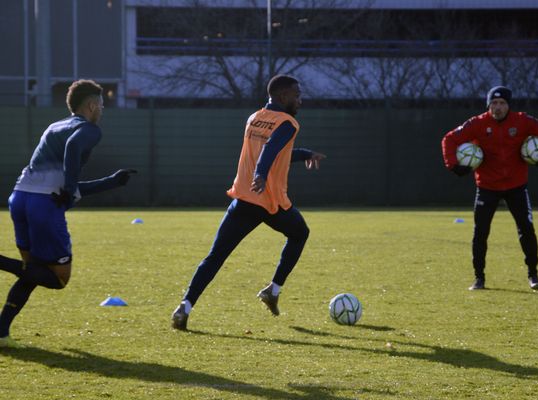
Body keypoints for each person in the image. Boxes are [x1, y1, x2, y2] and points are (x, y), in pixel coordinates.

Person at [171, 74, 326, 330]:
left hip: (243, 199)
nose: (301, 100)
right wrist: (261, 174)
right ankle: (273, 290)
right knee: (300, 234)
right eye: (297, 95)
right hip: (268, 201)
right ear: (283, 96)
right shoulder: (287, 123)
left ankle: (184, 307)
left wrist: (306, 154)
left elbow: (276, 152)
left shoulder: (254, 118)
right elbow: (270, 149)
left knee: (215, 257)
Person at [0, 79, 137, 348]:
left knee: (32, 271)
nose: (102, 109)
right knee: (57, 278)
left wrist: (111, 181)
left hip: (20, 198)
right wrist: (70, 187)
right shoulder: (89, 130)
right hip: (43, 207)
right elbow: (72, 155)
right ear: (91, 105)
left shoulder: (54, 126)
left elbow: (59, 187)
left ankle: (1, 331)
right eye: (101, 104)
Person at [441, 86, 538, 291]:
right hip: (487, 186)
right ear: (488, 105)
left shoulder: (522, 121)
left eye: (502, 103)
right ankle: (479, 278)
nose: (498, 107)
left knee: (526, 230)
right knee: (480, 232)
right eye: (494, 103)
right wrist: (453, 165)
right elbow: (449, 139)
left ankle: (533, 275)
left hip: (517, 186)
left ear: (508, 105)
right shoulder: (477, 124)